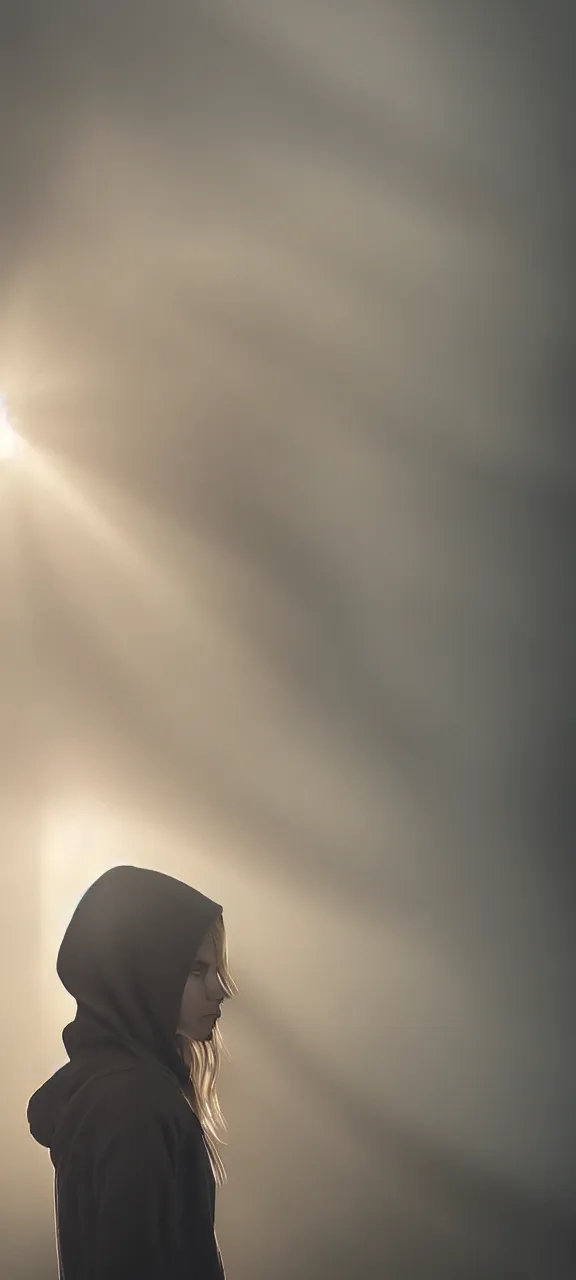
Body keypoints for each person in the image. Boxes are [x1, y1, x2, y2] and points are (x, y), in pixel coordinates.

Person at [27, 864, 237, 1279]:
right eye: (196, 971)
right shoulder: (135, 1104)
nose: (220, 987)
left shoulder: (116, 1093)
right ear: (144, 971)